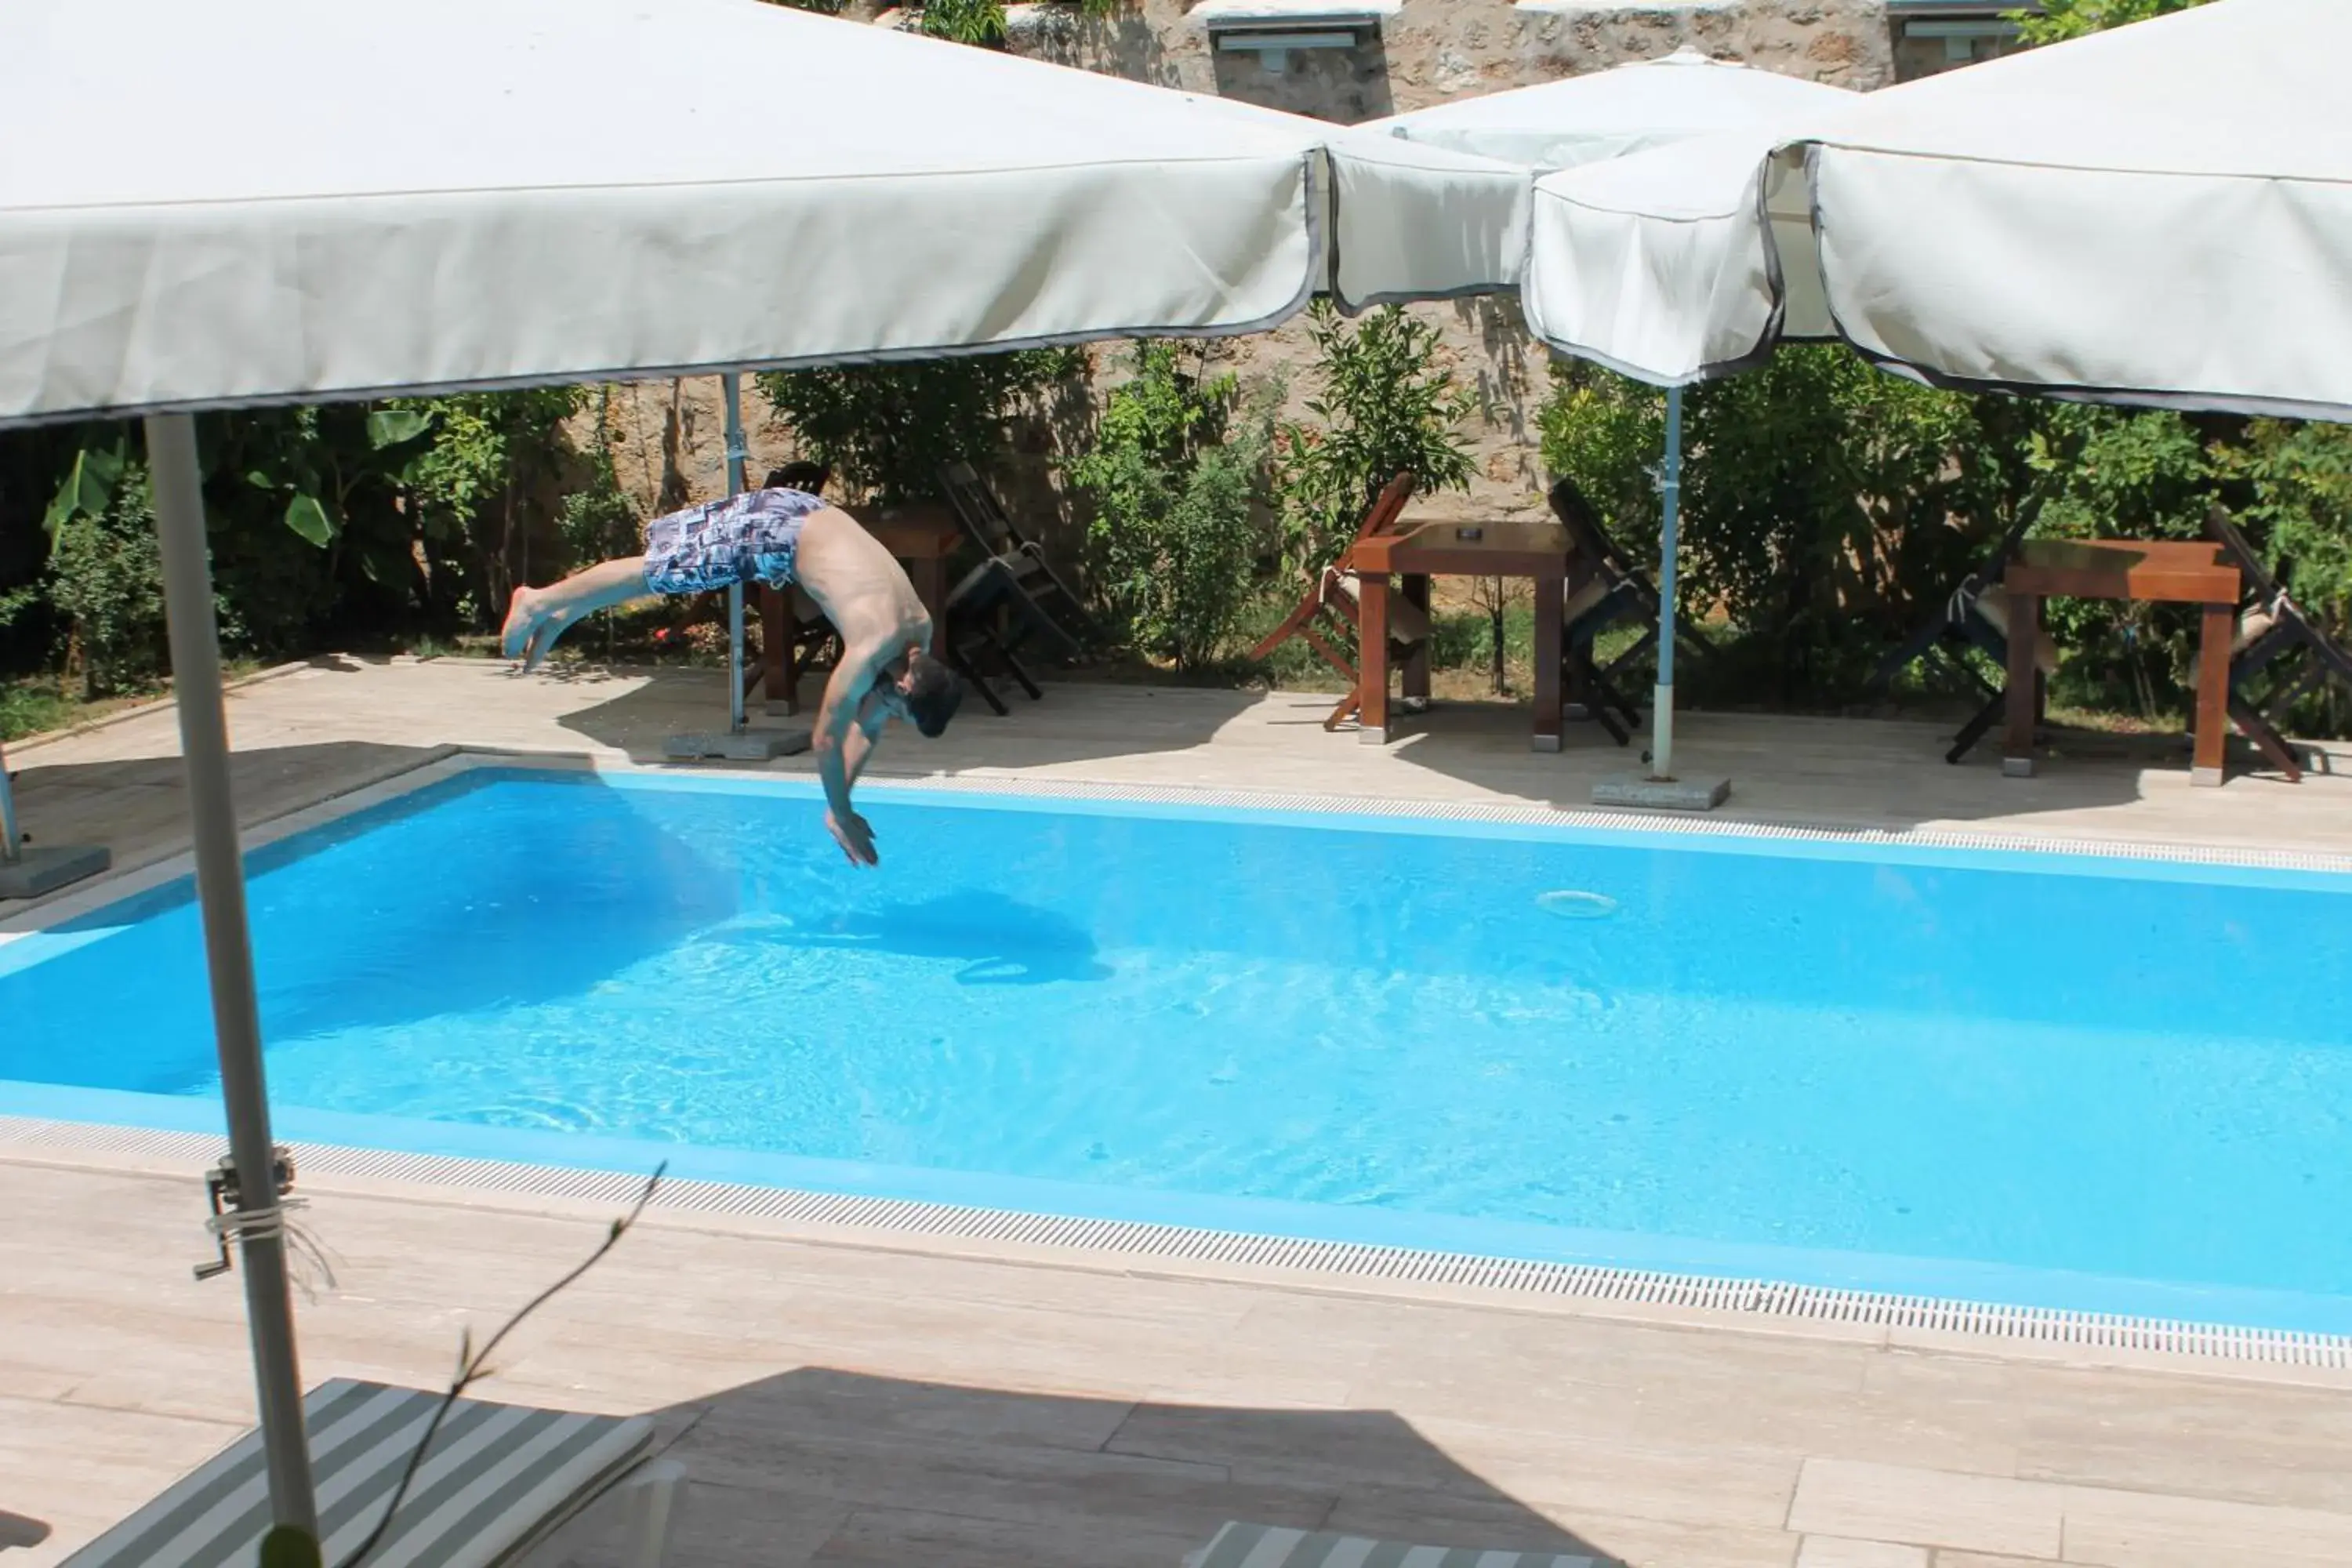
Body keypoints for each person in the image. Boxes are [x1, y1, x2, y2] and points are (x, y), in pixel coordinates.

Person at [500, 485, 962, 867]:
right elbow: (827, 737)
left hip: (806, 516)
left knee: (661, 573)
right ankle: (538, 601)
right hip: (775, 534)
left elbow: (871, 721)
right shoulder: (873, 643)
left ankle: (562, 614)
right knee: (656, 574)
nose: (890, 714)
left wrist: (837, 812)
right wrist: (842, 810)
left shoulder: (919, 629)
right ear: (904, 685)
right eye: (902, 710)